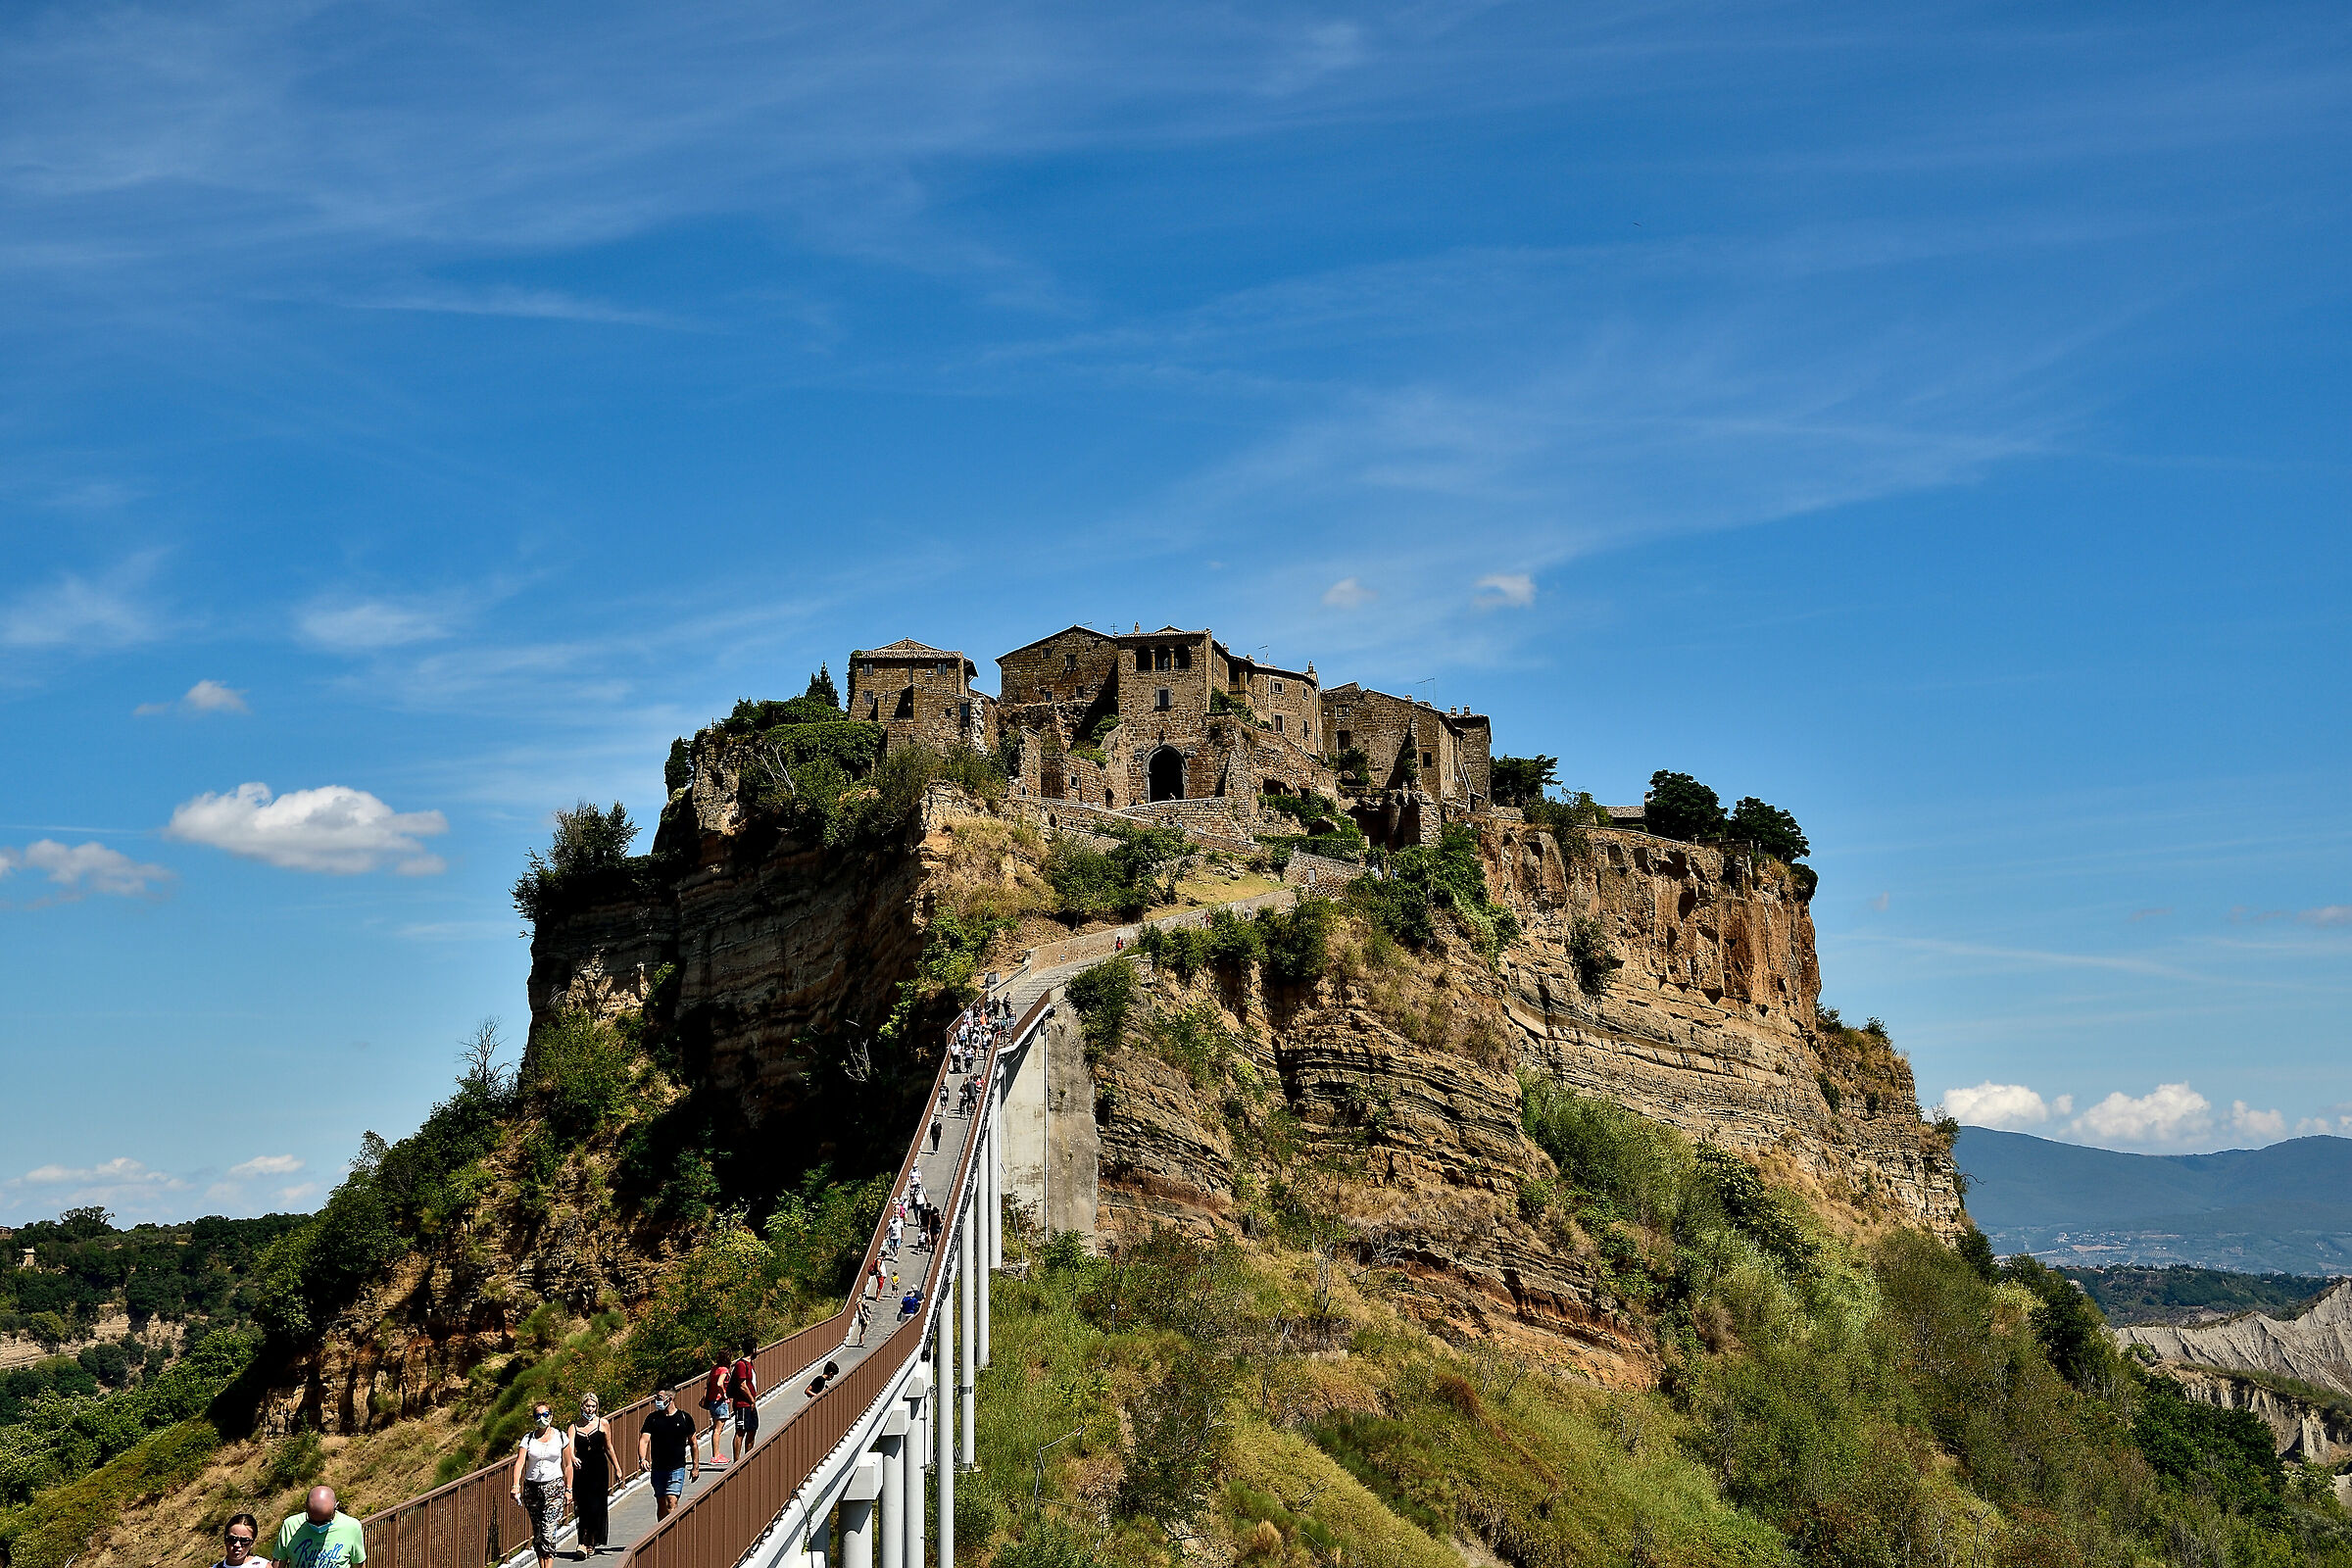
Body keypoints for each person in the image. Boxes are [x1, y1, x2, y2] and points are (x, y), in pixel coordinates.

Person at [637, 1389, 698, 1520]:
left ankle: (672, 1536)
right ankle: (662, 1536)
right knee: (661, 1504)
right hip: (658, 1468)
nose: (656, 1401)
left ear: (670, 1398)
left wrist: (695, 1466)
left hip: (677, 1468)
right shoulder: (652, 1419)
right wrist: (642, 1459)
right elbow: (644, 1440)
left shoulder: (684, 1418)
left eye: (659, 1398)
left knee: (672, 1502)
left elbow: (693, 1443)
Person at [273, 1487, 366, 1568]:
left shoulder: (352, 1527)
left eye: (324, 1522)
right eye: (312, 1521)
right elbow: (279, 1561)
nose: (318, 1526)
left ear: (336, 1507)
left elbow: (358, 1564)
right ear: (306, 1507)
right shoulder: (290, 1525)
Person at [568, 1394, 613, 1556]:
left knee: (596, 1507)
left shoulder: (603, 1424)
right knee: (582, 1506)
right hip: (582, 1471)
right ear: (582, 1406)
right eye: (587, 1406)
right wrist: (573, 1457)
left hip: (599, 1469)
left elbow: (608, 1447)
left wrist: (617, 1467)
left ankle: (591, 1541)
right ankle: (581, 1542)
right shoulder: (573, 1427)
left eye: (593, 1406)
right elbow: (570, 1448)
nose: (590, 1409)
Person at [728, 1341, 760, 1460]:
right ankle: (737, 1461)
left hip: (750, 1404)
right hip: (742, 1404)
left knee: (752, 1429)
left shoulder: (749, 1363)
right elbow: (742, 1385)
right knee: (740, 1431)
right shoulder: (741, 1365)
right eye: (757, 1347)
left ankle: (748, 1457)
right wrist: (751, 1400)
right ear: (753, 1350)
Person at [700, 1353, 732, 1465]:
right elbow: (720, 1383)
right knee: (718, 1430)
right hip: (719, 1402)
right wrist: (724, 1395)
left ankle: (716, 1454)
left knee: (715, 1428)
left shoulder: (714, 1369)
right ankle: (716, 1455)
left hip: (712, 1401)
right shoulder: (724, 1370)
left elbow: (708, 1382)